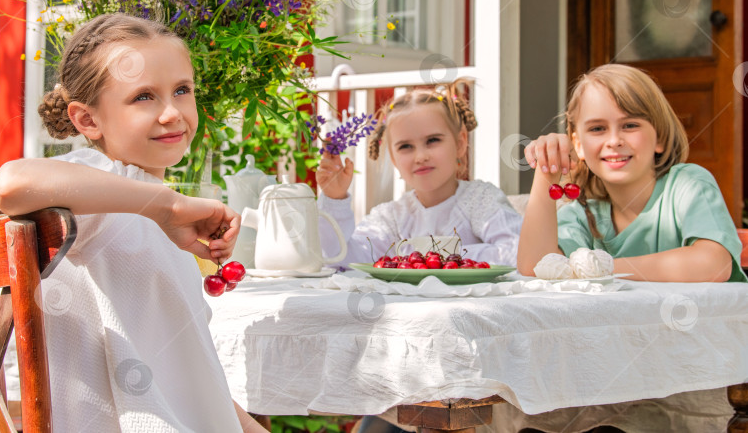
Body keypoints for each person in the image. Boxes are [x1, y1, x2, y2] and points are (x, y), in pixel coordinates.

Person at [0, 13, 268, 432]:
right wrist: (166, 206)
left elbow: (190, 378)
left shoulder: (142, 202)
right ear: (87, 120)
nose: (172, 113)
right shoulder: (103, 186)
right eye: (144, 97)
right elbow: (12, 183)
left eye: (182, 90)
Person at [518, 63, 747, 283]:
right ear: (578, 145)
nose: (614, 141)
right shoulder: (582, 213)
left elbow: (714, 264)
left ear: (660, 137)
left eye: (630, 125)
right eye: (597, 129)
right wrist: (547, 171)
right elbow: (536, 267)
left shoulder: (688, 184)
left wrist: (603, 268)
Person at [317, 84, 522, 267]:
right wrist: (335, 200)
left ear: (460, 143)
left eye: (432, 140)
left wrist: (424, 257)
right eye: (406, 146)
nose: (421, 156)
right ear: (395, 160)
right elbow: (342, 259)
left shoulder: (480, 200)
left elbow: (516, 252)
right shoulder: (392, 217)